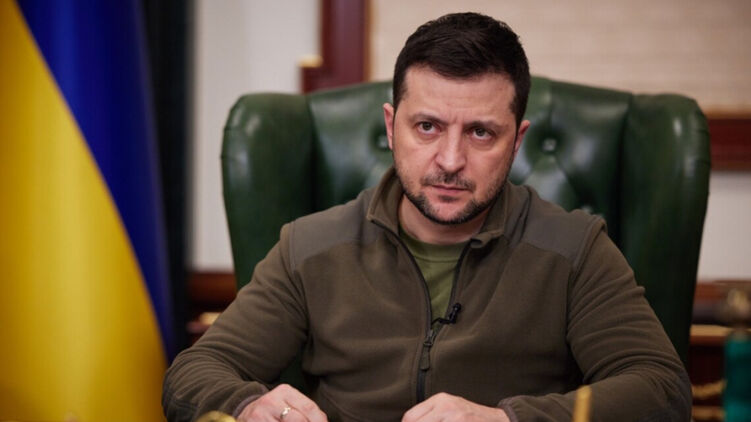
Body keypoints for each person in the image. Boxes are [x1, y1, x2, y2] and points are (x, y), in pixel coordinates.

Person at [163, 12, 691, 422]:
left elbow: (663, 390)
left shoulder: (574, 248)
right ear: (391, 127)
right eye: (428, 127)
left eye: (481, 132)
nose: (451, 160)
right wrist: (248, 404)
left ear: (517, 140)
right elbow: (193, 373)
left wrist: (507, 419)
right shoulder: (310, 245)